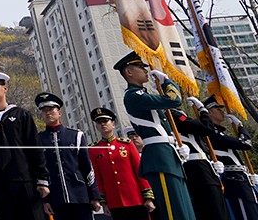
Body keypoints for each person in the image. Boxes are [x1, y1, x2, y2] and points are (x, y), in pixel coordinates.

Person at [115, 51, 195, 220]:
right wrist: (166, 81)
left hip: (167, 154)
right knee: (173, 210)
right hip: (159, 158)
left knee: (184, 208)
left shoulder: (143, 95)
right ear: (129, 72)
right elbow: (174, 99)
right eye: (140, 67)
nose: (146, 71)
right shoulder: (134, 96)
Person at [0, 71, 48, 220]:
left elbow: (35, 148)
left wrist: (42, 179)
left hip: (25, 180)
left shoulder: (22, 115)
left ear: (5, 88)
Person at [35, 92, 101, 219]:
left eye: (50, 109)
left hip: (80, 195)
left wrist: (94, 196)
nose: (48, 113)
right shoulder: (38, 140)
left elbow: (87, 166)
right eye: (44, 111)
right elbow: (39, 171)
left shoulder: (76, 135)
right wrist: (45, 200)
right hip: (56, 197)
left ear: (59, 113)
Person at [88, 106, 155, 220]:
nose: (103, 124)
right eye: (99, 122)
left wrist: (148, 197)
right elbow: (98, 178)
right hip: (114, 201)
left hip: (135, 197)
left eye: (105, 121)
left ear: (113, 124)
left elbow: (139, 171)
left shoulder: (127, 145)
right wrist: (104, 202)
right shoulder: (94, 149)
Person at [199, 95, 257, 220]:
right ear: (209, 112)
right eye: (217, 109)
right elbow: (245, 144)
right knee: (245, 214)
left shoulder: (220, 132)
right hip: (234, 180)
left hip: (241, 178)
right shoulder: (213, 134)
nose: (222, 112)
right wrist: (241, 127)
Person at [169, 98, 228, 220]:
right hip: (198, 171)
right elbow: (205, 127)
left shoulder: (179, 114)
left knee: (220, 210)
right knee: (213, 211)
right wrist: (203, 111)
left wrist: (212, 161)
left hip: (205, 167)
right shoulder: (173, 115)